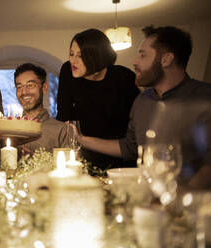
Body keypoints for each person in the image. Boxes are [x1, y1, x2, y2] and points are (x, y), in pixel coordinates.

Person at [76, 26, 211, 188]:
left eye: (142, 55)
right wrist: (81, 139)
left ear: (166, 59)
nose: (134, 61)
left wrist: (176, 200)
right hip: (149, 201)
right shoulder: (142, 100)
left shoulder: (204, 98)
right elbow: (130, 147)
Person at [56, 28, 140, 170]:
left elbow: (134, 130)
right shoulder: (67, 71)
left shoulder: (124, 78)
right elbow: (64, 117)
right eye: (71, 54)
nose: (72, 61)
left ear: (97, 57)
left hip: (120, 157)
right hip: (83, 155)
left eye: (80, 56)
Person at [15, 63, 72, 153]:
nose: (24, 92)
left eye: (30, 85)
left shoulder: (62, 130)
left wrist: (35, 158)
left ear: (44, 88)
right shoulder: (10, 131)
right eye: (19, 87)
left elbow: (70, 165)